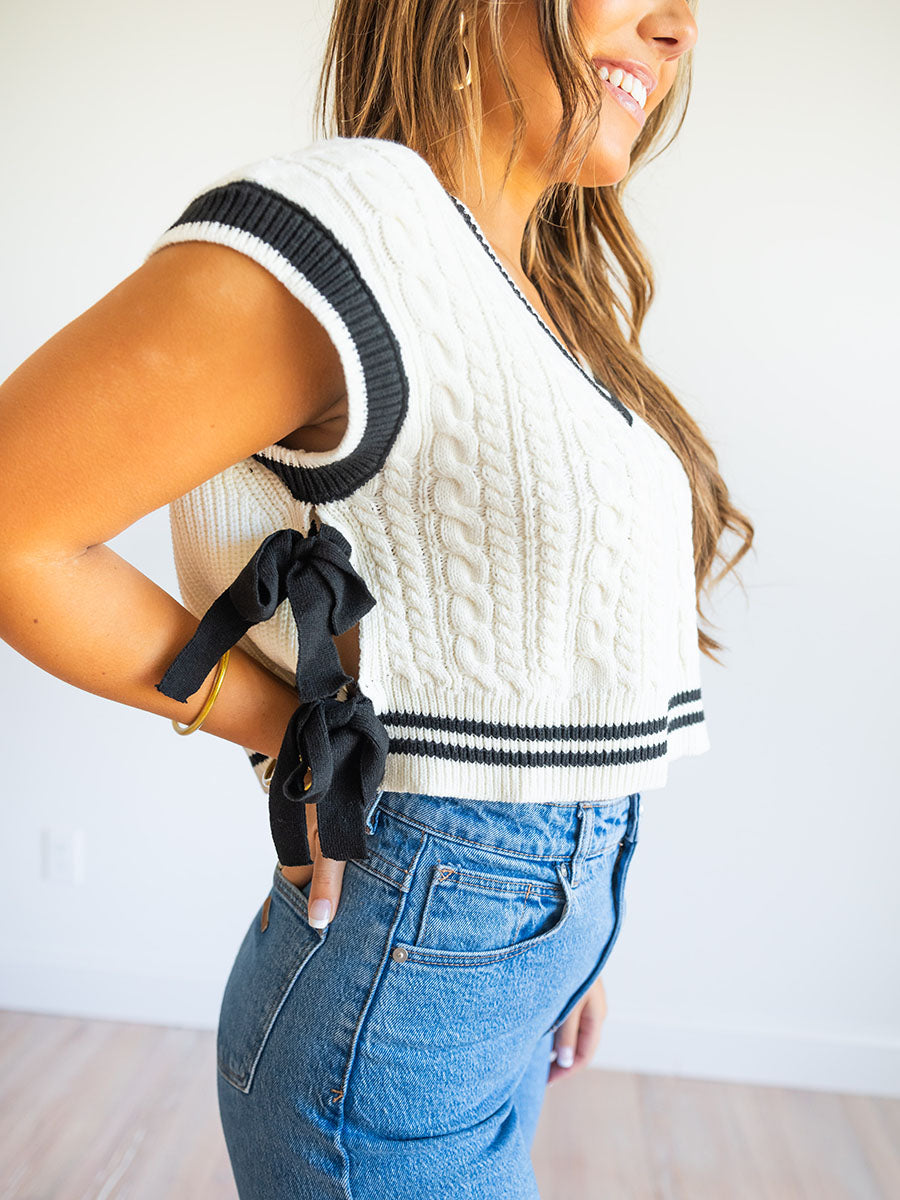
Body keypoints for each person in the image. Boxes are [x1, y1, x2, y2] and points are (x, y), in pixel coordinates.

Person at [0, 1, 754, 1197]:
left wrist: (563, 949)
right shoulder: (346, 228)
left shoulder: (534, 292)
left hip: (496, 964)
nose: (681, 29)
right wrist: (282, 732)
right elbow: (14, 527)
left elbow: (535, 680)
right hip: (403, 974)